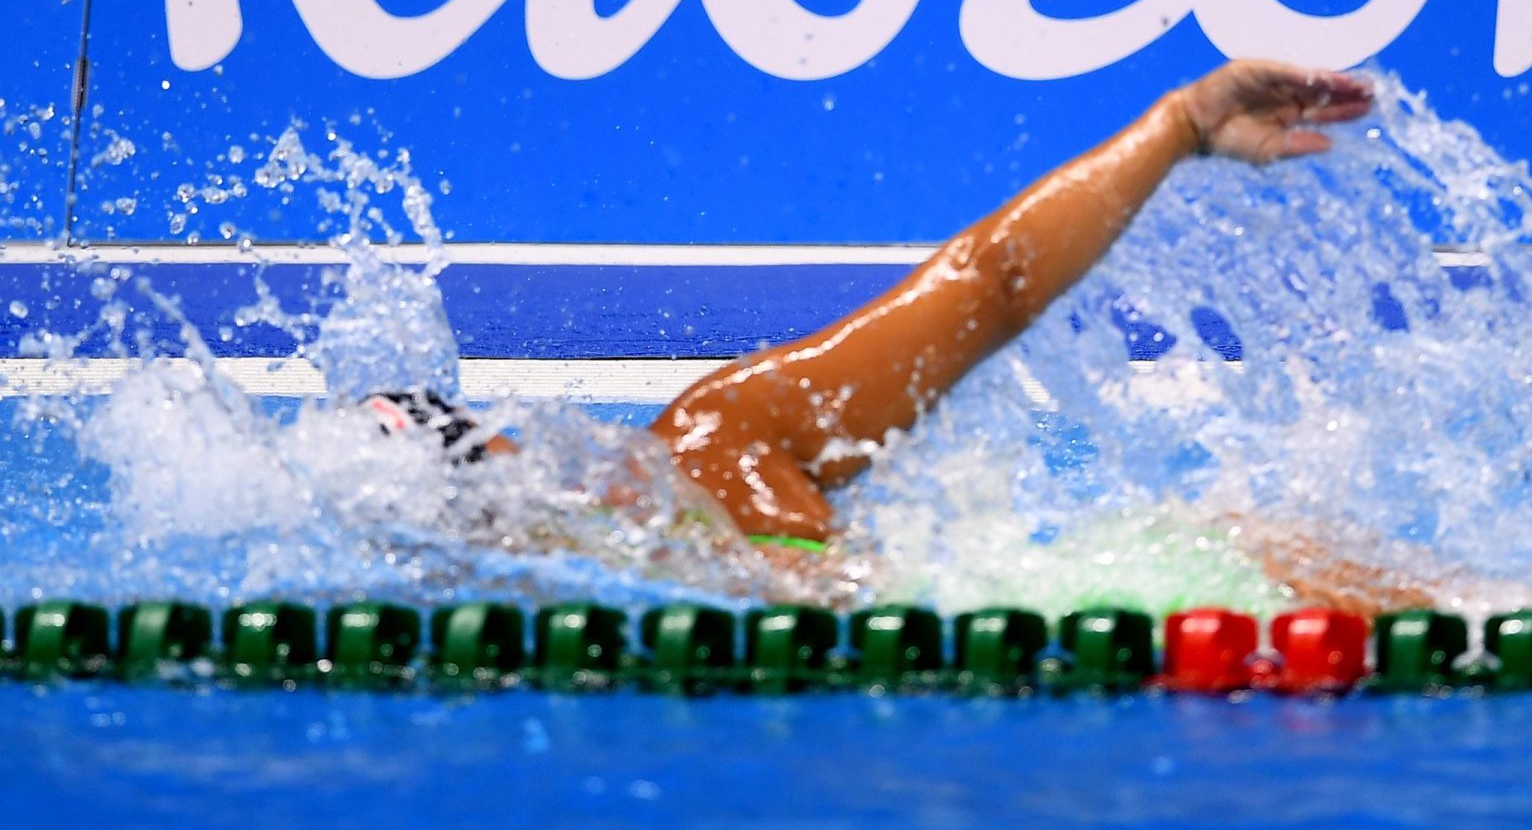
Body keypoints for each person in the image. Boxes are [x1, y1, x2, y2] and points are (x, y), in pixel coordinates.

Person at [369, 60, 1426, 609]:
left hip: (1155, 614)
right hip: (1065, 682)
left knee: (1269, 553)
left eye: (487, 475)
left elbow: (989, 284)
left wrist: (1181, 125)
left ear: (507, 445)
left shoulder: (714, 444)